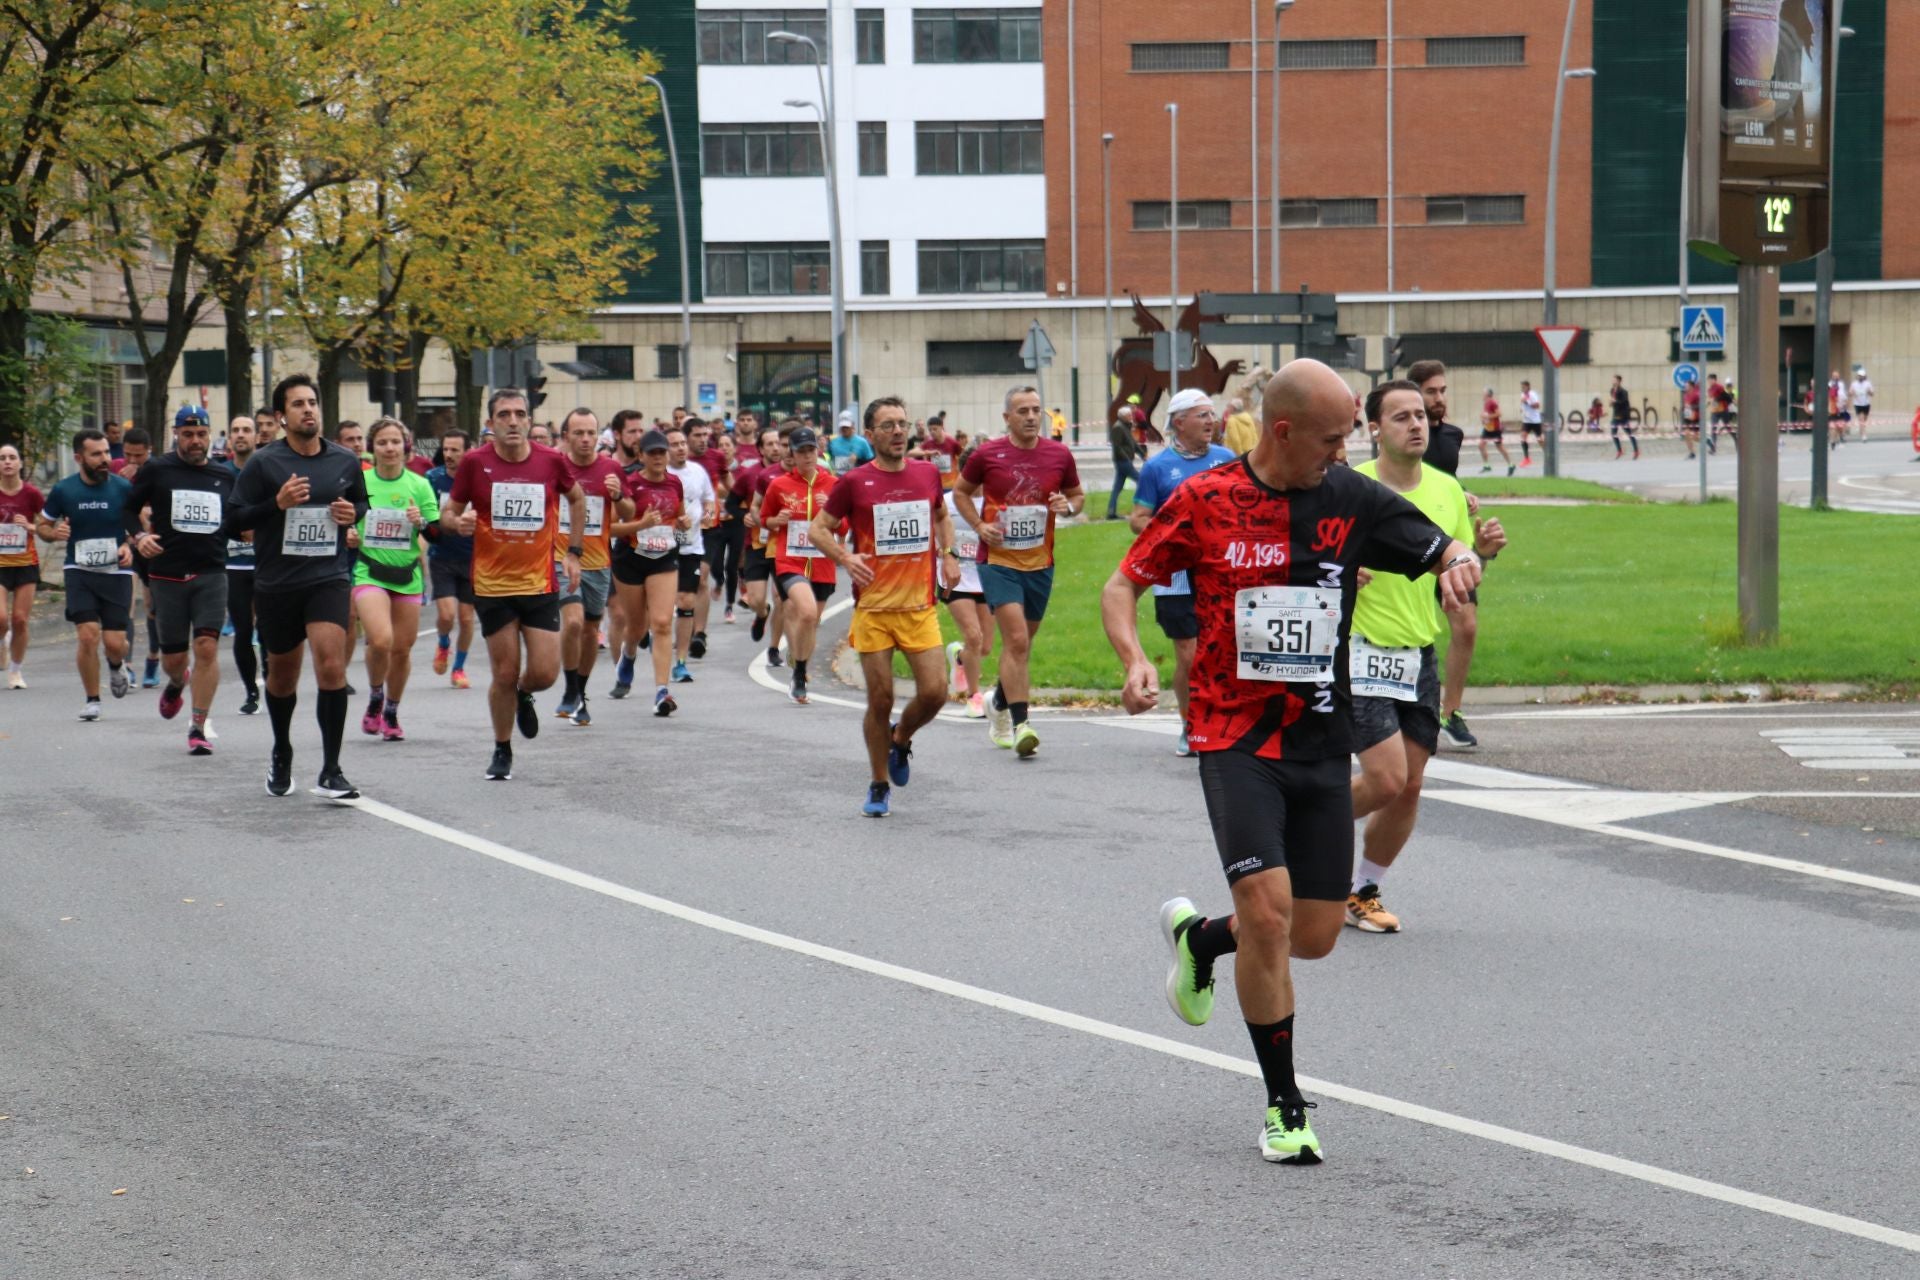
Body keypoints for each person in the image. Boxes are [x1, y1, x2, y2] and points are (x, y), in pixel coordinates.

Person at [1102, 358, 1480, 1165]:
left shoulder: (1348, 494)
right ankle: (1284, 1104)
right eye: (1333, 438)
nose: (1343, 452)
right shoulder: (1203, 501)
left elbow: (1433, 537)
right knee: (1269, 917)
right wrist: (1134, 659)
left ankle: (1204, 942)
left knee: (1311, 936)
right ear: (1283, 431)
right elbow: (1120, 586)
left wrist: (1456, 560)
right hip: (1231, 737)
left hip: (1317, 737)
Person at [1347, 380, 1507, 933]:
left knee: (1410, 785)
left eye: (1420, 415)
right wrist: (1347, 573)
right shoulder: (1350, 487)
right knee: (1386, 780)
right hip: (1358, 650)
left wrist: (1478, 558)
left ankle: (1362, 889)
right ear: (1374, 429)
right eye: (1401, 417)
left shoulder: (1445, 489)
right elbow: (1314, 555)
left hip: (1417, 652)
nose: (1417, 424)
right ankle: (1303, 830)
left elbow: (1458, 563)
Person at [811, 397, 961, 816]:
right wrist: (844, 558)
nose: (898, 431)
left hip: (918, 606)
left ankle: (900, 738)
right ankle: (878, 783)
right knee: (880, 698)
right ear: (870, 435)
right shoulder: (855, 482)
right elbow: (818, 529)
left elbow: (941, 515)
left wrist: (949, 553)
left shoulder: (927, 472)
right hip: (874, 609)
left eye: (902, 424)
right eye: (888, 425)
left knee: (935, 693)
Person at [226, 373, 368, 798]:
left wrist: (351, 514)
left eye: (312, 402)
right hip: (276, 583)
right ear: (281, 416)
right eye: (298, 404)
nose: (308, 410)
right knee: (283, 679)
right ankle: (282, 750)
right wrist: (277, 504)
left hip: (327, 577)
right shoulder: (264, 463)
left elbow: (361, 501)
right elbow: (233, 520)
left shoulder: (343, 461)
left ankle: (331, 769)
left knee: (330, 666)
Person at [442, 386, 587, 780]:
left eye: (519, 414)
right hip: (492, 586)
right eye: (503, 414)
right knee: (502, 674)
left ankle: (525, 694)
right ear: (490, 424)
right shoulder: (475, 463)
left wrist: (573, 551)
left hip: (539, 583)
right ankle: (502, 748)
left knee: (544, 674)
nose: (512, 421)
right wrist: (458, 523)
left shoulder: (551, 461)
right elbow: (448, 515)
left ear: (529, 421)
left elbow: (577, 499)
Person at [952, 385, 1086, 756]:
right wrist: (980, 527)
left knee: (1022, 646)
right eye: (1022, 410)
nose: (1030, 416)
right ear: (1007, 418)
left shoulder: (1059, 454)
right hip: (998, 561)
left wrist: (1067, 506)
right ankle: (1021, 723)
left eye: (1036, 410)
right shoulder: (987, 454)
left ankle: (997, 701)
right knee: (1017, 641)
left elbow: (1077, 496)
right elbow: (961, 492)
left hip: (1040, 562)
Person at [123, 406, 238, 755]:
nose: (194, 441)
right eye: (187, 435)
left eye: (201, 434)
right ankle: (176, 682)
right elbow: (128, 508)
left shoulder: (225, 476)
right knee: (175, 659)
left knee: (206, 647)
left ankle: (197, 726)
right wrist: (138, 538)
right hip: (166, 575)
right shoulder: (158, 469)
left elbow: (238, 519)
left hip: (211, 572)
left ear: (209, 435)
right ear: (176, 435)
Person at [1129, 388, 1236, 758]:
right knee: (1188, 653)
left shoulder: (1227, 459)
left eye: (1212, 414)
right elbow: (1138, 519)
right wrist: (1171, 538)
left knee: (1221, 652)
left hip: (1219, 572)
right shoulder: (1158, 468)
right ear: (1179, 422)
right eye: (1202, 415)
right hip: (1175, 574)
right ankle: (1191, 726)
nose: (1211, 421)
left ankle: (1222, 719)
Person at [350, 418, 440, 742]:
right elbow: (343, 519)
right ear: (372, 449)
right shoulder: (359, 481)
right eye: (382, 443)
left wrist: (422, 524)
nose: (389, 448)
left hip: (407, 576)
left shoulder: (419, 484)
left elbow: (437, 533)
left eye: (394, 442)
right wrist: (348, 531)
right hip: (369, 571)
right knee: (381, 640)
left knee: (402, 650)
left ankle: (391, 710)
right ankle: (375, 693)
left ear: (405, 446)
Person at [1408, 360, 1482, 751]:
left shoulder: (1453, 435)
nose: (1439, 399)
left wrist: (1462, 493)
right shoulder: (1402, 435)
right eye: (1432, 391)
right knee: (1412, 627)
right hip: (1408, 543)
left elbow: (1445, 479)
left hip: (1449, 542)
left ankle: (1450, 712)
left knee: (1466, 625)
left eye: (1443, 391)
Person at [37, 430, 135, 719]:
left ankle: (117, 666)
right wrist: (54, 534)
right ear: (79, 458)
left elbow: (139, 526)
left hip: (116, 571)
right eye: (97, 454)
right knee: (88, 636)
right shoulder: (64, 490)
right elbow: (42, 526)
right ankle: (93, 699)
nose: (105, 459)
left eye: (107, 452)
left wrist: (130, 545)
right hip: (78, 570)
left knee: (115, 643)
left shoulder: (122, 489)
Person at [553, 408, 628, 726]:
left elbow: (628, 510)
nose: (585, 439)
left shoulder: (611, 468)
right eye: (578, 433)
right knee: (572, 623)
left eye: (591, 433)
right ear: (566, 436)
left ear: (599, 436)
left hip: (599, 563)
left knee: (588, 632)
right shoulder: (555, 467)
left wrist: (619, 494)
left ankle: (579, 694)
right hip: (561, 559)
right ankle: (570, 689)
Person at [606, 428, 685, 717]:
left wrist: (683, 527)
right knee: (637, 626)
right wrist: (640, 525)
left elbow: (678, 518)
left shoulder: (675, 483)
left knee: (662, 623)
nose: (658, 457)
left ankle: (661, 691)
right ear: (640, 456)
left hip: (663, 557)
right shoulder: (630, 484)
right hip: (630, 558)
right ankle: (628, 658)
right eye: (651, 453)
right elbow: (610, 527)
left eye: (661, 452)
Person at [759, 426, 840, 704]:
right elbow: (764, 518)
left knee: (812, 621)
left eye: (811, 451)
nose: (807, 456)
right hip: (789, 560)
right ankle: (801, 671)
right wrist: (776, 521)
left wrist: (830, 509)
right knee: (804, 612)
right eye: (801, 451)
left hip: (822, 562)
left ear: (818, 452)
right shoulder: (779, 485)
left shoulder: (833, 485)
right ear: (791, 454)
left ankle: (799, 668)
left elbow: (846, 525)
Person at [665, 423, 716, 684]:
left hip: (691, 546)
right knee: (659, 610)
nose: (681, 448)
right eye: (674, 444)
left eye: (682, 443)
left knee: (686, 600)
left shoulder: (698, 471)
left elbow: (709, 499)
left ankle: (681, 662)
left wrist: (706, 519)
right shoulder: (659, 473)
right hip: (660, 546)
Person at [426, 430, 477, 689]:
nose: (449, 455)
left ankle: (458, 668)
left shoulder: (478, 480)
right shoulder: (433, 479)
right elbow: (427, 516)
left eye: (455, 450)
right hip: (442, 557)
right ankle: (444, 643)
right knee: (447, 616)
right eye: (446, 449)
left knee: (467, 619)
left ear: (468, 451)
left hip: (472, 558)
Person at [604, 409, 650, 696]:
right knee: (617, 613)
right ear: (618, 435)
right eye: (632, 431)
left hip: (647, 549)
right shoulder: (605, 468)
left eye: (640, 431)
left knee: (641, 619)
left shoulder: (649, 467)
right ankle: (620, 674)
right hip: (609, 548)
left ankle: (633, 645)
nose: (638, 437)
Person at [220, 416, 264, 714]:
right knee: (243, 629)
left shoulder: (267, 470)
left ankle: (274, 683)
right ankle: (251, 692)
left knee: (271, 630)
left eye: (246, 430)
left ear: (256, 436)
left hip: (266, 563)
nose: (240, 435)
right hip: (233, 566)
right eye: (235, 430)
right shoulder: (221, 475)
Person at [940, 485, 992, 719]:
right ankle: (974, 697)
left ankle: (960, 656)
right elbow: (935, 532)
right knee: (974, 637)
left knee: (985, 647)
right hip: (955, 579)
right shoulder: (946, 502)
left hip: (986, 578)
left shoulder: (993, 501)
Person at [0, 443, 46, 688]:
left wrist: (28, 527)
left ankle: (16, 672)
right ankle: (2, 643)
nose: (7, 462)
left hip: (26, 562)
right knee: (0, 618)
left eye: (12, 457)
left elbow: (47, 526)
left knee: (20, 620)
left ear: (19, 463)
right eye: (2, 458)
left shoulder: (31, 494)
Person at [1106, 408, 1145, 519]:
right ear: (1122, 417)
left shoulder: (1126, 426)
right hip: (1122, 461)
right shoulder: (1118, 428)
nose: (1131, 417)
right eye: (1129, 415)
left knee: (1117, 487)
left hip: (1124, 461)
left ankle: (1111, 512)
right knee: (1141, 481)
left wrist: (1143, 455)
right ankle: (1142, 508)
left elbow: (1133, 443)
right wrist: (1127, 459)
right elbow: (1117, 447)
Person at [909, 413, 961, 491]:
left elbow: (963, 456)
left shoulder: (952, 442)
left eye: (935, 429)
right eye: (930, 430)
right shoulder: (928, 442)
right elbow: (910, 453)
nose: (932, 432)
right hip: (934, 484)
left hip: (950, 484)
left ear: (941, 428)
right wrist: (928, 452)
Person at [1477, 386, 1514, 476]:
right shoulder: (1486, 403)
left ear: (1487, 394)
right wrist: (1484, 420)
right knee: (1481, 445)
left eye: (1483, 392)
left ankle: (1511, 465)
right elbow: (1487, 415)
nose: (1482, 394)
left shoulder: (1493, 402)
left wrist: (1487, 417)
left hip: (1495, 429)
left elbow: (1499, 413)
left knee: (1500, 447)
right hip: (1487, 428)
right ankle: (1487, 466)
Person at [826, 409, 875, 476]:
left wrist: (858, 461)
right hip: (838, 478)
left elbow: (871, 463)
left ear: (853, 425)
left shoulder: (862, 442)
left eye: (847, 427)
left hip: (857, 478)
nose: (844, 429)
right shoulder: (833, 442)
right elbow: (828, 461)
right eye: (842, 427)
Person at [1609, 375, 1638, 460]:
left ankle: (1636, 451)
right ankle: (1619, 450)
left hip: (1623, 415)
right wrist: (1611, 403)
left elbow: (1623, 402)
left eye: (1614, 380)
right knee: (1613, 433)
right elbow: (1613, 402)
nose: (1613, 381)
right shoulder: (1612, 391)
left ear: (1619, 381)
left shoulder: (1623, 391)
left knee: (1629, 433)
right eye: (1612, 380)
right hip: (1615, 415)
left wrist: (1615, 401)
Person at [1517, 380, 1543, 466]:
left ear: (1528, 387)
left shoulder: (1532, 394)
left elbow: (1537, 405)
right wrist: (1522, 408)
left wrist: (1527, 402)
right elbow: (1523, 405)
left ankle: (1548, 454)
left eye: (1524, 387)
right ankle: (1527, 459)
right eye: (1521, 387)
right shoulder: (1522, 395)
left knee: (1540, 440)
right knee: (1523, 437)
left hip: (1535, 421)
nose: (1522, 389)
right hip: (1527, 421)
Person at [1707, 375, 1732, 452]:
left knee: (1728, 428)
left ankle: (1736, 440)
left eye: (1711, 380)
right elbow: (1711, 399)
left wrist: (1717, 399)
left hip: (1723, 410)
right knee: (1713, 428)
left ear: (1715, 380)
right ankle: (1713, 448)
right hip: (1714, 411)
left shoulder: (1719, 387)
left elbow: (1727, 397)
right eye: (1708, 380)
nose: (1709, 381)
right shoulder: (1709, 389)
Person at [1849, 366, 1874, 441]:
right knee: (1861, 419)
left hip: (1866, 403)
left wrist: (1869, 391)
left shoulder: (1868, 383)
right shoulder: (1854, 384)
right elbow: (1850, 393)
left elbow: (1872, 393)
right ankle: (1864, 435)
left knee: (1864, 420)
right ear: (1857, 376)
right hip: (1858, 404)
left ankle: (1861, 430)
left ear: (1864, 376)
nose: (1860, 377)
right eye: (1859, 376)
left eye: (1862, 376)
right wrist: (1851, 392)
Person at [1681, 379, 1703, 459]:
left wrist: (1691, 407)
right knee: (1686, 434)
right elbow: (1686, 405)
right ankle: (1692, 452)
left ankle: (1707, 440)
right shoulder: (1686, 394)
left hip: (1696, 417)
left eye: (1687, 385)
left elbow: (1700, 406)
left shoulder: (1697, 394)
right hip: (1688, 417)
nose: (1685, 387)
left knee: (1695, 437)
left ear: (1691, 386)